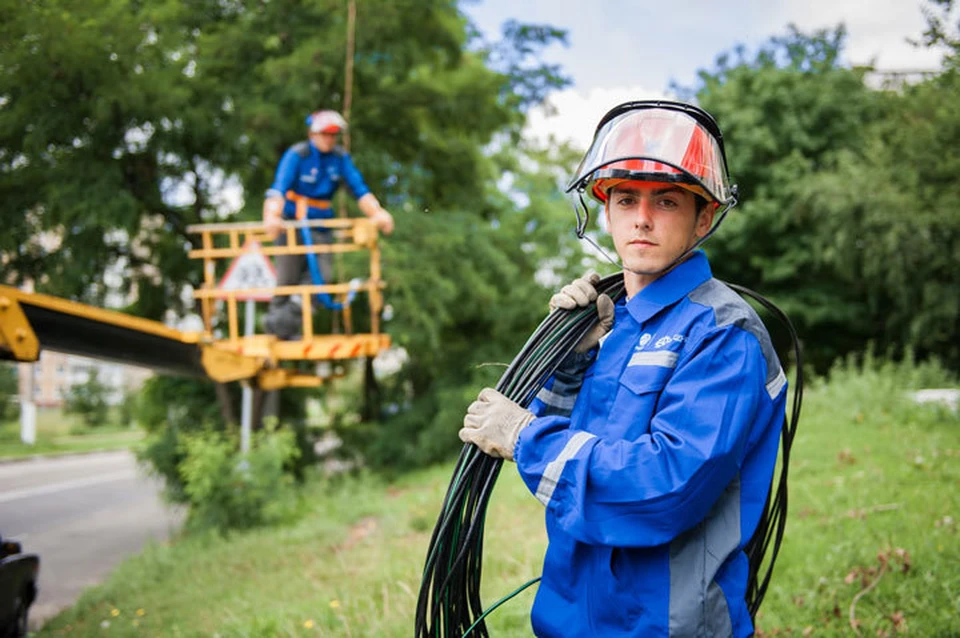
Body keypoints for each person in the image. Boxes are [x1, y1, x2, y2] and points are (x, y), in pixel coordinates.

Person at [458, 100, 788, 637]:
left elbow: (664, 488)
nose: (642, 218)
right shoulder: (611, 326)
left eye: (667, 201)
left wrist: (522, 436)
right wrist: (570, 365)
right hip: (570, 620)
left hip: (664, 627)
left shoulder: (724, 334)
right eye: (626, 198)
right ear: (604, 212)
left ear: (704, 217)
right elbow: (568, 457)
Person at [262, 109, 394, 339]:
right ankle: (281, 329)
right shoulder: (298, 155)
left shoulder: (339, 158)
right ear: (312, 134)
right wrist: (272, 216)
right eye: (325, 134)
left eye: (333, 135)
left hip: (321, 225)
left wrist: (378, 212)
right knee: (287, 279)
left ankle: (280, 325)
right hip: (292, 225)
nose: (329, 139)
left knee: (321, 279)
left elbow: (359, 189)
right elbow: (278, 189)